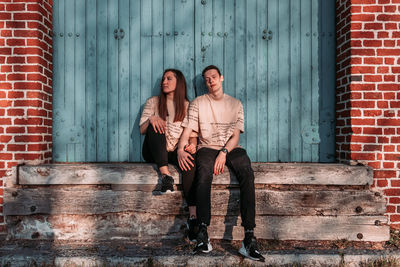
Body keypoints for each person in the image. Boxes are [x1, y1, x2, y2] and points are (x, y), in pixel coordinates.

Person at [177, 65, 265, 262]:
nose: (211, 81)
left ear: (221, 78)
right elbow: (187, 131)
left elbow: (234, 136)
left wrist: (224, 152)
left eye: (214, 77)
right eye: (207, 79)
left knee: (247, 173)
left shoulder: (235, 104)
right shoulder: (198, 103)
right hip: (207, 147)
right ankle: (203, 233)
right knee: (204, 172)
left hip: (230, 148)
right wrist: (180, 149)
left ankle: (249, 238)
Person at [139, 69, 199, 241]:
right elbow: (142, 129)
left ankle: (193, 217)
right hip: (154, 151)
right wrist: (152, 119)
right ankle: (166, 176)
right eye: (163, 78)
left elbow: (193, 136)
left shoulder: (188, 106)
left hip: (176, 151)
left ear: (178, 82)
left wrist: (192, 147)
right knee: (155, 124)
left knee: (190, 162)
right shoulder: (153, 102)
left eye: (169, 78)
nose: (164, 81)